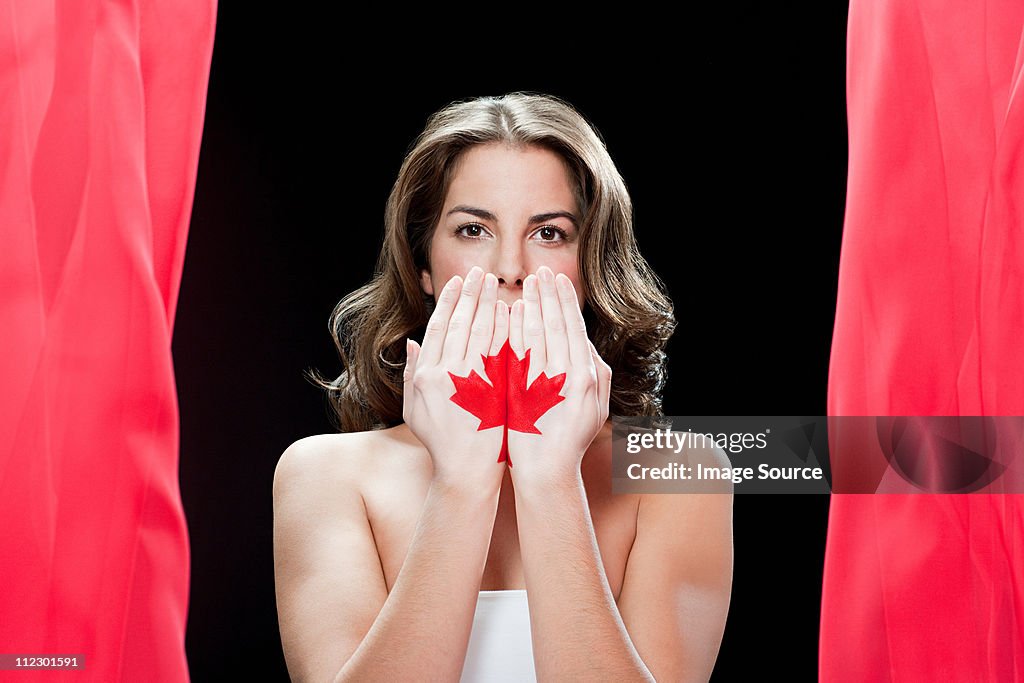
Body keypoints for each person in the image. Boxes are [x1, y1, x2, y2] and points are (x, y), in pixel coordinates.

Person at [272, 93, 733, 682]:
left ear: (589, 268)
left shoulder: (682, 473)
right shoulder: (325, 475)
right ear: (424, 266)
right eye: (472, 229)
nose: (508, 267)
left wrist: (551, 479)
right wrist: (462, 483)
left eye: (549, 232)